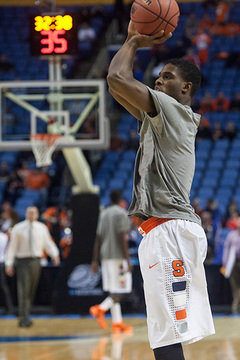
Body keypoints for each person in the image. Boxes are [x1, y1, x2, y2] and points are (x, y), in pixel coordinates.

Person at [107, 21, 215, 360]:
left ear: (185, 87)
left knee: (166, 334)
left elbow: (117, 78)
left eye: (166, 77)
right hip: (163, 231)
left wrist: (133, 41)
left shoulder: (172, 110)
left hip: (169, 230)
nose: (157, 79)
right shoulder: (160, 117)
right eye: (158, 76)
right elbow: (116, 89)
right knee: (165, 331)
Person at [5, 206, 60, 327]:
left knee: (31, 290)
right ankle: (23, 318)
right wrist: (9, 263)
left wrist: (55, 255)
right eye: (29, 212)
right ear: (25, 213)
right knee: (23, 289)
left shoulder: (41, 228)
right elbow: (12, 247)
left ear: (37, 214)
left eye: (34, 212)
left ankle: (26, 314)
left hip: (36, 261)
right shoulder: (18, 228)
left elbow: (48, 243)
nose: (31, 214)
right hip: (22, 261)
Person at [89, 189, 133, 334]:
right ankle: (101, 308)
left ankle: (117, 322)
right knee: (123, 289)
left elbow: (98, 238)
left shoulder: (104, 214)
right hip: (118, 256)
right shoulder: (121, 213)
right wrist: (127, 259)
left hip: (105, 257)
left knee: (113, 290)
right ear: (120, 198)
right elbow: (122, 237)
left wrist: (95, 260)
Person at [221, 216, 240, 313]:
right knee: (235, 287)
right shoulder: (231, 235)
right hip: (235, 264)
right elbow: (226, 249)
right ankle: (236, 309)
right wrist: (225, 263)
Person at [0, 229, 14, 314]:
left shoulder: (4, 237)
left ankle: (9, 308)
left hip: (1, 262)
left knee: (3, 286)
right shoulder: (4, 237)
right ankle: (9, 308)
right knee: (3, 286)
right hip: (2, 262)